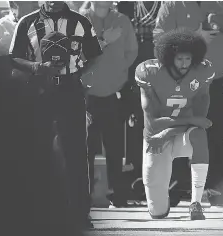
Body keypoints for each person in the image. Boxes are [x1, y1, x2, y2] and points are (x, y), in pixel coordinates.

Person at [9, 1, 102, 233]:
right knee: (35, 150)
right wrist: (37, 67)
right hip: (39, 91)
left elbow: (94, 54)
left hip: (70, 91)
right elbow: (14, 57)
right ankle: (37, 212)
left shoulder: (81, 22)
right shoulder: (27, 21)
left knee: (77, 153)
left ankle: (80, 214)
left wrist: (77, 73)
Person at [153, 1, 223, 208]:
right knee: (179, 132)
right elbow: (158, 40)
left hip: (217, 81)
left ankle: (217, 190)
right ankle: (177, 188)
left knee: (217, 133)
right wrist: (194, 37)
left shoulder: (218, 5)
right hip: (182, 80)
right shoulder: (172, 6)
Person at [135, 28, 215, 220]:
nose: (184, 64)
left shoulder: (202, 71)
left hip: (178, 135)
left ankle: (195, 203)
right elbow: (153, 122)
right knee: (157, 212)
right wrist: (187, 122)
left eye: (188, 59)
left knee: (199, 135)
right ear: (169, 58)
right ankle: (163, 201)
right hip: (156, 138)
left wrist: (170, 131)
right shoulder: (149, 72)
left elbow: (200, 122)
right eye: (180, 59)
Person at [81, 1, 138, 208]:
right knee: (86, 149)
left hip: (114, 93)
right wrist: (103, 40)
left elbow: (132, 51)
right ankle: (83, 198)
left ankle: (118, 196)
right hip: (87, 95)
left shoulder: (122, 20)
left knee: (115, 149)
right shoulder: (81, 20)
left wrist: (117, 70)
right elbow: (78, 53)